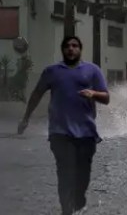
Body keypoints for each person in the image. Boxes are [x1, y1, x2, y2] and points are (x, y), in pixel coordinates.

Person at [17, 36, 110, 215]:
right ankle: (66, 211)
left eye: (74, 46)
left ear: (80, 49)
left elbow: (106, 98)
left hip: (86, 134)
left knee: (82, 178)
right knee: (65, 174)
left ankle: (78, 201)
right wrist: (26, 118)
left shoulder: (92, 70)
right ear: (62, 50)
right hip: (60, 133)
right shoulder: (52, 71)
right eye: (67, 46)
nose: (71, 49)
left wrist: (93, 93)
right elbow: (36, 95)